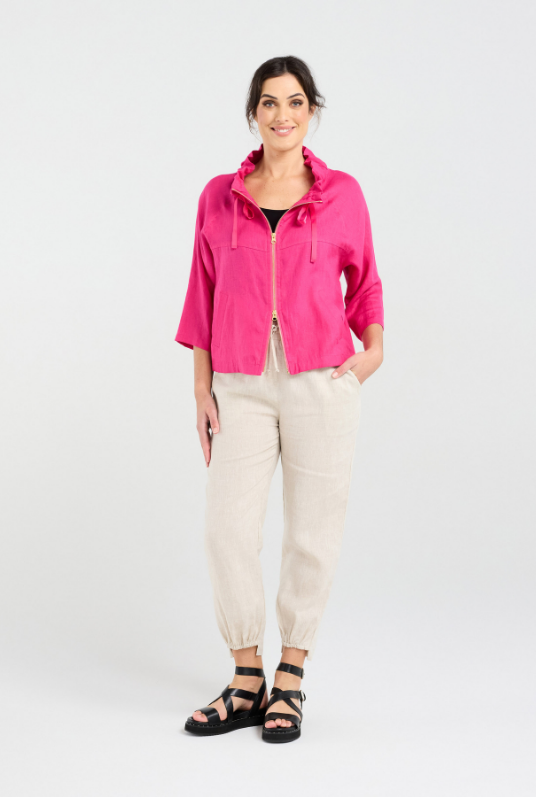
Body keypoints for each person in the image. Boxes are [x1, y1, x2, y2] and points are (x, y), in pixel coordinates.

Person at [175, 55, 384, 743]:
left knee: (311, 532)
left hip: (321, 378)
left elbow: (365, 281)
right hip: (238, 381)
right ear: (253, 114)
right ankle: (246, 678)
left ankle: (289, 677)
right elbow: (202, 292)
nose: (282, 114)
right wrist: (201, 388)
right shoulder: (219, 196)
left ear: (311, 112)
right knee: (227, 529)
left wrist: (372, 351)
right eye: (269, 102)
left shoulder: (343, 194)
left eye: (295, 102)